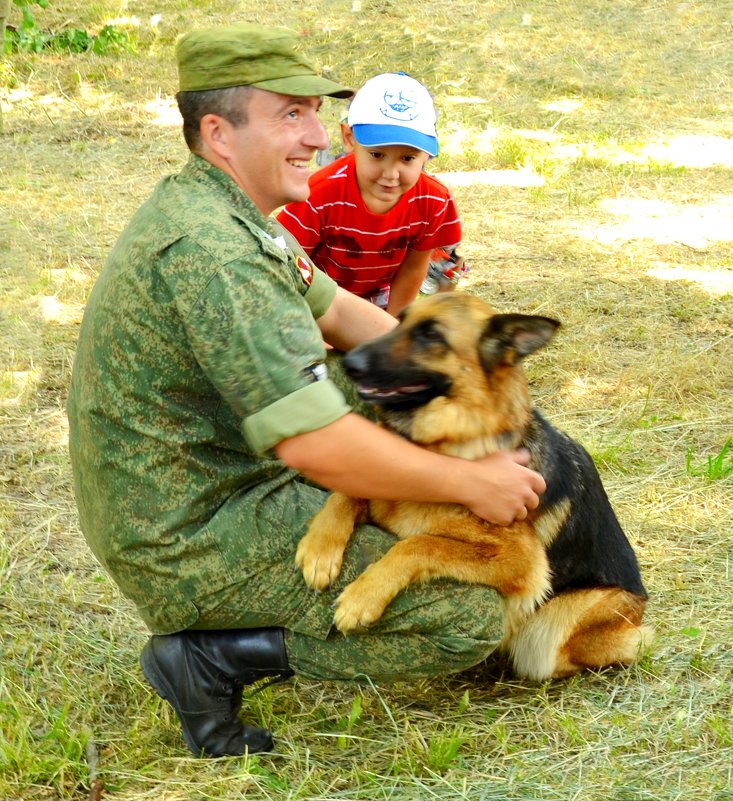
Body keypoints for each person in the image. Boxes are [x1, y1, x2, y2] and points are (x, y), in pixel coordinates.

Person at [67, 23, 546, 759]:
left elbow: (347, 317)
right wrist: (470, 481)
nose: (318, 136)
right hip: (186, 528)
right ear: (219, 132)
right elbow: (317, 444)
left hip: (217, 478)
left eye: (314, 113)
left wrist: (477, 383)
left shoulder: (231, 216)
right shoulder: (214, 253)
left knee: (407, 401)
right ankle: (206, 658)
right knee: (466, 617)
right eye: (290, 114)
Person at [277, 72, 462, 316]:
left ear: (426, 154)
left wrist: (393, 331)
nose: (391, 174)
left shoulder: (433, 200)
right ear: (348, 138)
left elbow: (413, 270)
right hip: (315, 301)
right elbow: (288, 266)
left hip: (377, 300)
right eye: (377, 155)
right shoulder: (316, 195)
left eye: (407, 158)